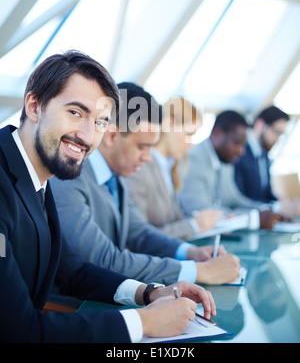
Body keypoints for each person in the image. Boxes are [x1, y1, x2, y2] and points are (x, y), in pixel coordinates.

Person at [0, 50, 216, 343]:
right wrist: (143, 322)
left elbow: (69, 267)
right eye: (75, 113)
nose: (88, 136)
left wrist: (148, 292)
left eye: (100, 122)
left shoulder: (38, 173)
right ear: (35, 106)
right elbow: (19, 329)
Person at [50, 83, 241, 287]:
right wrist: (198, 271)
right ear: (112, 136)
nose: (148, 157)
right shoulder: (68, 177)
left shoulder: (116, 175)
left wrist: (190, 252)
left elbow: (139, 232)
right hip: (73, 306)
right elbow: (105, 259)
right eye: (142, 147)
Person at [126, 96, 222, 239]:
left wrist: (212, 220)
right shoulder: (140, 167)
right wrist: (194, 225)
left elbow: (172, 220)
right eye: (188, 135)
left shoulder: (169, 167)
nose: (191, 144)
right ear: (169, 124)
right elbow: (139, 237)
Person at [179, 110, 288, 230]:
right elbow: (201, 211)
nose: (241, 151)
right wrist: (253, 218)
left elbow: (233, 200)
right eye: (237, 143)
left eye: (243, 145)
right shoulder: (192, 159)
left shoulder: (225, 160)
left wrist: (267, 210)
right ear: (218, 133)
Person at [234, 106, 300, 217]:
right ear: (260, 125)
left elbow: (265, 194)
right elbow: (239, 199)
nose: (278, 139)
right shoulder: (238, 152)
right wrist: (275, 207)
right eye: (276, 132)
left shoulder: (264, 154)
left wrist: (281, 202)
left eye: (281, 135)